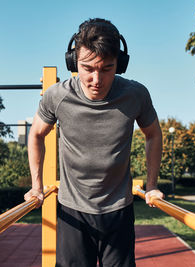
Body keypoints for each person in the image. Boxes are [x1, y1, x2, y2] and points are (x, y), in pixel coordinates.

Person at [24, 18, 164, 267]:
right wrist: (36, 186)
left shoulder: (135, 95)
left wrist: (152, 186)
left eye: (106, 69)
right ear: (73, 62)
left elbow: (153, 133)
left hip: (119, 210)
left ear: (119, 65)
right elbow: (36, 134)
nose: (96, 79)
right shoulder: (57, 96)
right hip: (72, 212)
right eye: (88, 68)